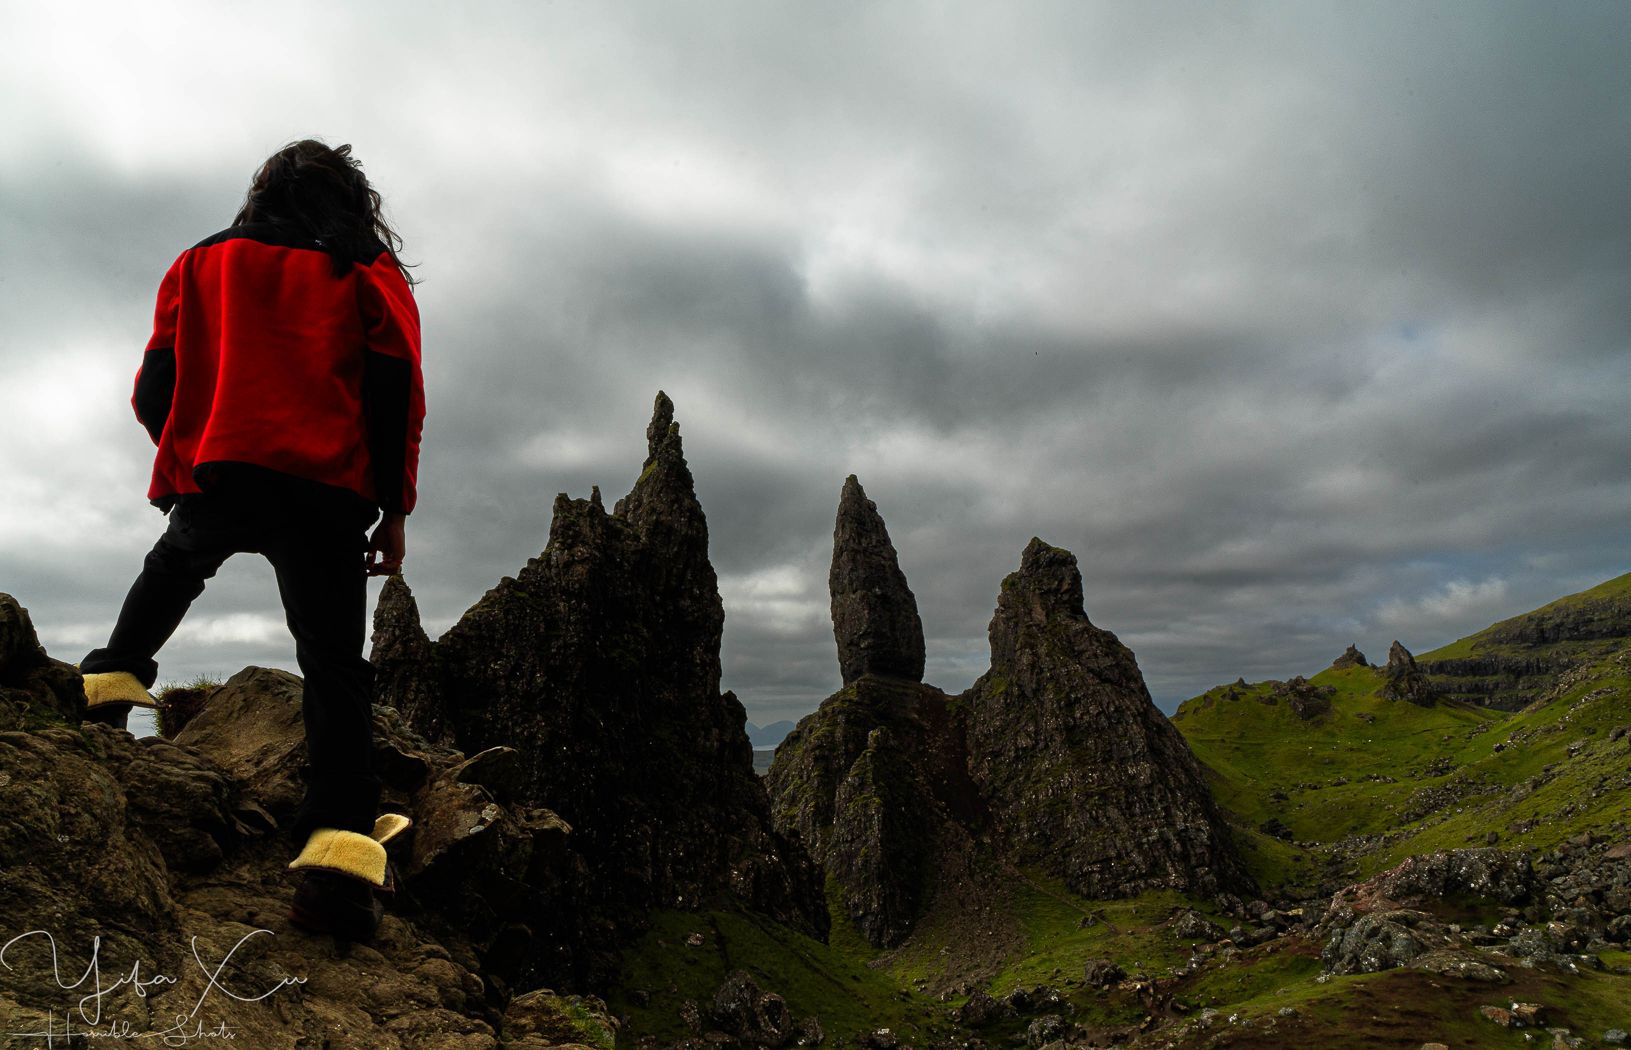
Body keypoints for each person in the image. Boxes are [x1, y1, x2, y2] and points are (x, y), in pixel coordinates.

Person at [77, 139, 425, 939]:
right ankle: (337, 873)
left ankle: (101, 704)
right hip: (326, 491)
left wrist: (192, 448)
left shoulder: (201, 261)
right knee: (333, 665)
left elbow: (154, 388)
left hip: (224, 468)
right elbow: (396, 395)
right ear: (351, 198)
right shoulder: (367, 269)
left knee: (172, 567)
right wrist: (394, 508)